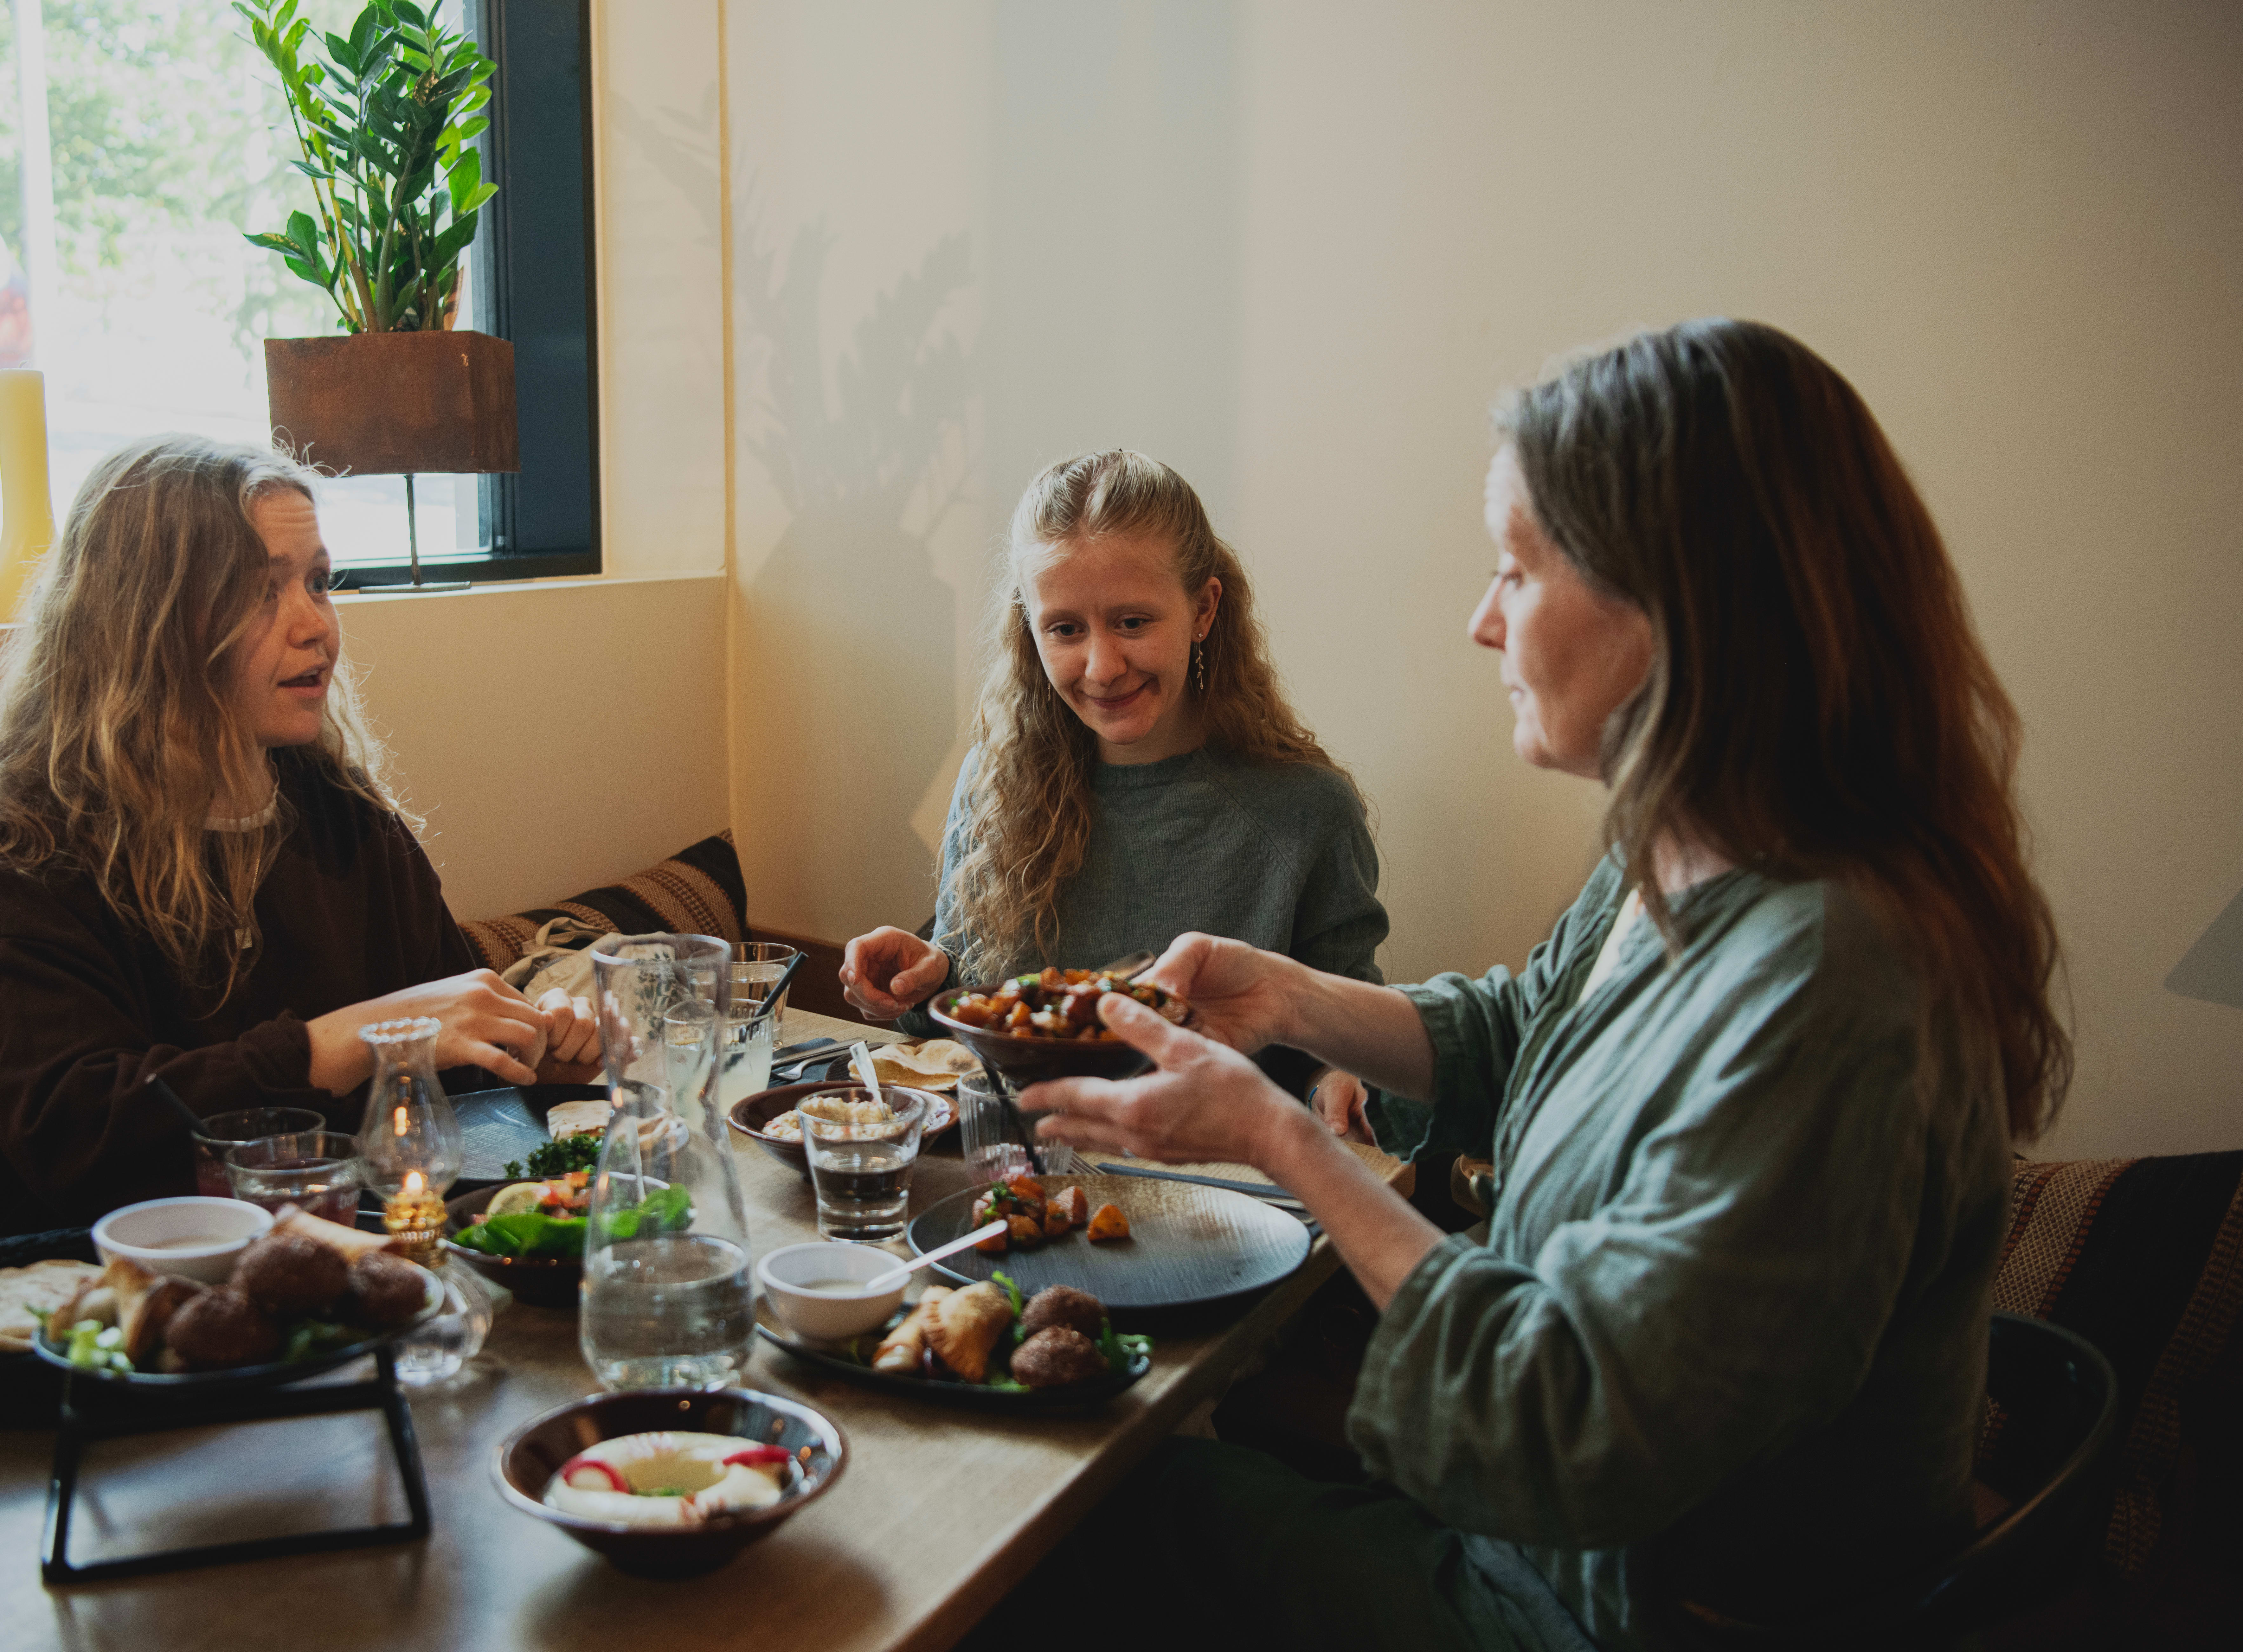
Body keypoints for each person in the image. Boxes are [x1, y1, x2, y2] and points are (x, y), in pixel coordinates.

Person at [1005, 322, 2068, 1649]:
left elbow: (1569, 1427)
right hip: (1526, 1545)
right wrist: (1280, 996)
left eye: (1516, 568)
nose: (1480, 618)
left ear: (1680, 604)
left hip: (1602, 1610)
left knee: (1059, 1519)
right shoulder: (1685, 857)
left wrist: (1277, 1135)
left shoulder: (1831, 983)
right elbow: (1523, 1026)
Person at [0, 436, 600, 1238]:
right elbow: (82, 1143)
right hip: (112, 1307)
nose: (314, 625)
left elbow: (439, 1070)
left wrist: (530, 1056)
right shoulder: (18, 855)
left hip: (352, 1260)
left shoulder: (338, 809)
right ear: (144, 622)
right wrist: (344, 1041)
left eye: (318, 582)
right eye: (259, 591)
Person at [838, 448, 1387, 1121]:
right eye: (1065, 629)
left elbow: (1346, 1039)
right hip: (1021, 1168)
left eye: (1132, 622)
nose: (1101, 667)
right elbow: (973, 1016)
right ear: (1029, 632)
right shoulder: (992, 783)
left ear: (1204, 611)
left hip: (1221, 1183)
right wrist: (921, 984)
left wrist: (1341, 1082)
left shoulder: (1304, 814)